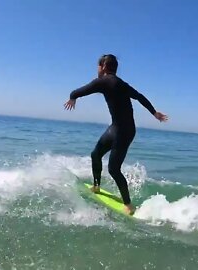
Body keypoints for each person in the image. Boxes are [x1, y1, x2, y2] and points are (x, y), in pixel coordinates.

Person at [64, 54, 168, 215]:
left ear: (104, 67)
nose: (97, 70)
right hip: (117, 128)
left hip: (123, 132)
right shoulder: (120, 83)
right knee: (95, 154)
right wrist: (154, 113)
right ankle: (96, 186)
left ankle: (128, 204)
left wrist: (72, 98)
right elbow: (139, 97)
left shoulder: (103, 81)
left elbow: (78, 91)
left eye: (98, 66)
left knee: (113, 169)